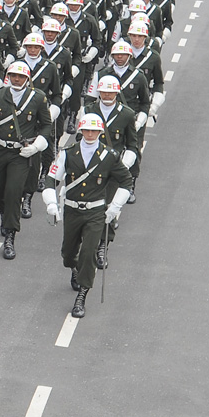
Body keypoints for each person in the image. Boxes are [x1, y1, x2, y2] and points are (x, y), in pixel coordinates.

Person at [42, 113, 133, 318]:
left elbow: (126, 182)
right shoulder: (68, 153)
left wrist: (115, 207)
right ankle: (74, 270)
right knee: (68, 253)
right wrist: (51, 203)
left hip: (95, 212)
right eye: (87, 130)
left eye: (94, 130)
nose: (90, 134)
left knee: (89, 253)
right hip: (72, 210)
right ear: (81, 131)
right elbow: (51, 179)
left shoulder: (109, 156)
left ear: (100, 132)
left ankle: (82, 294)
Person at [0, 60, 53, 260]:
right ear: (8, 77)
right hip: (1, 149)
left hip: (22, 153)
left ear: (27, 79)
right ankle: (5, 214)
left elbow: (46, 125)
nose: (16, 79)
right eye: (13, 76)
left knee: (13, 191)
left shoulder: (37, 98)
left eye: (20, 76)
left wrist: (37, 146)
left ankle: (10, 235)